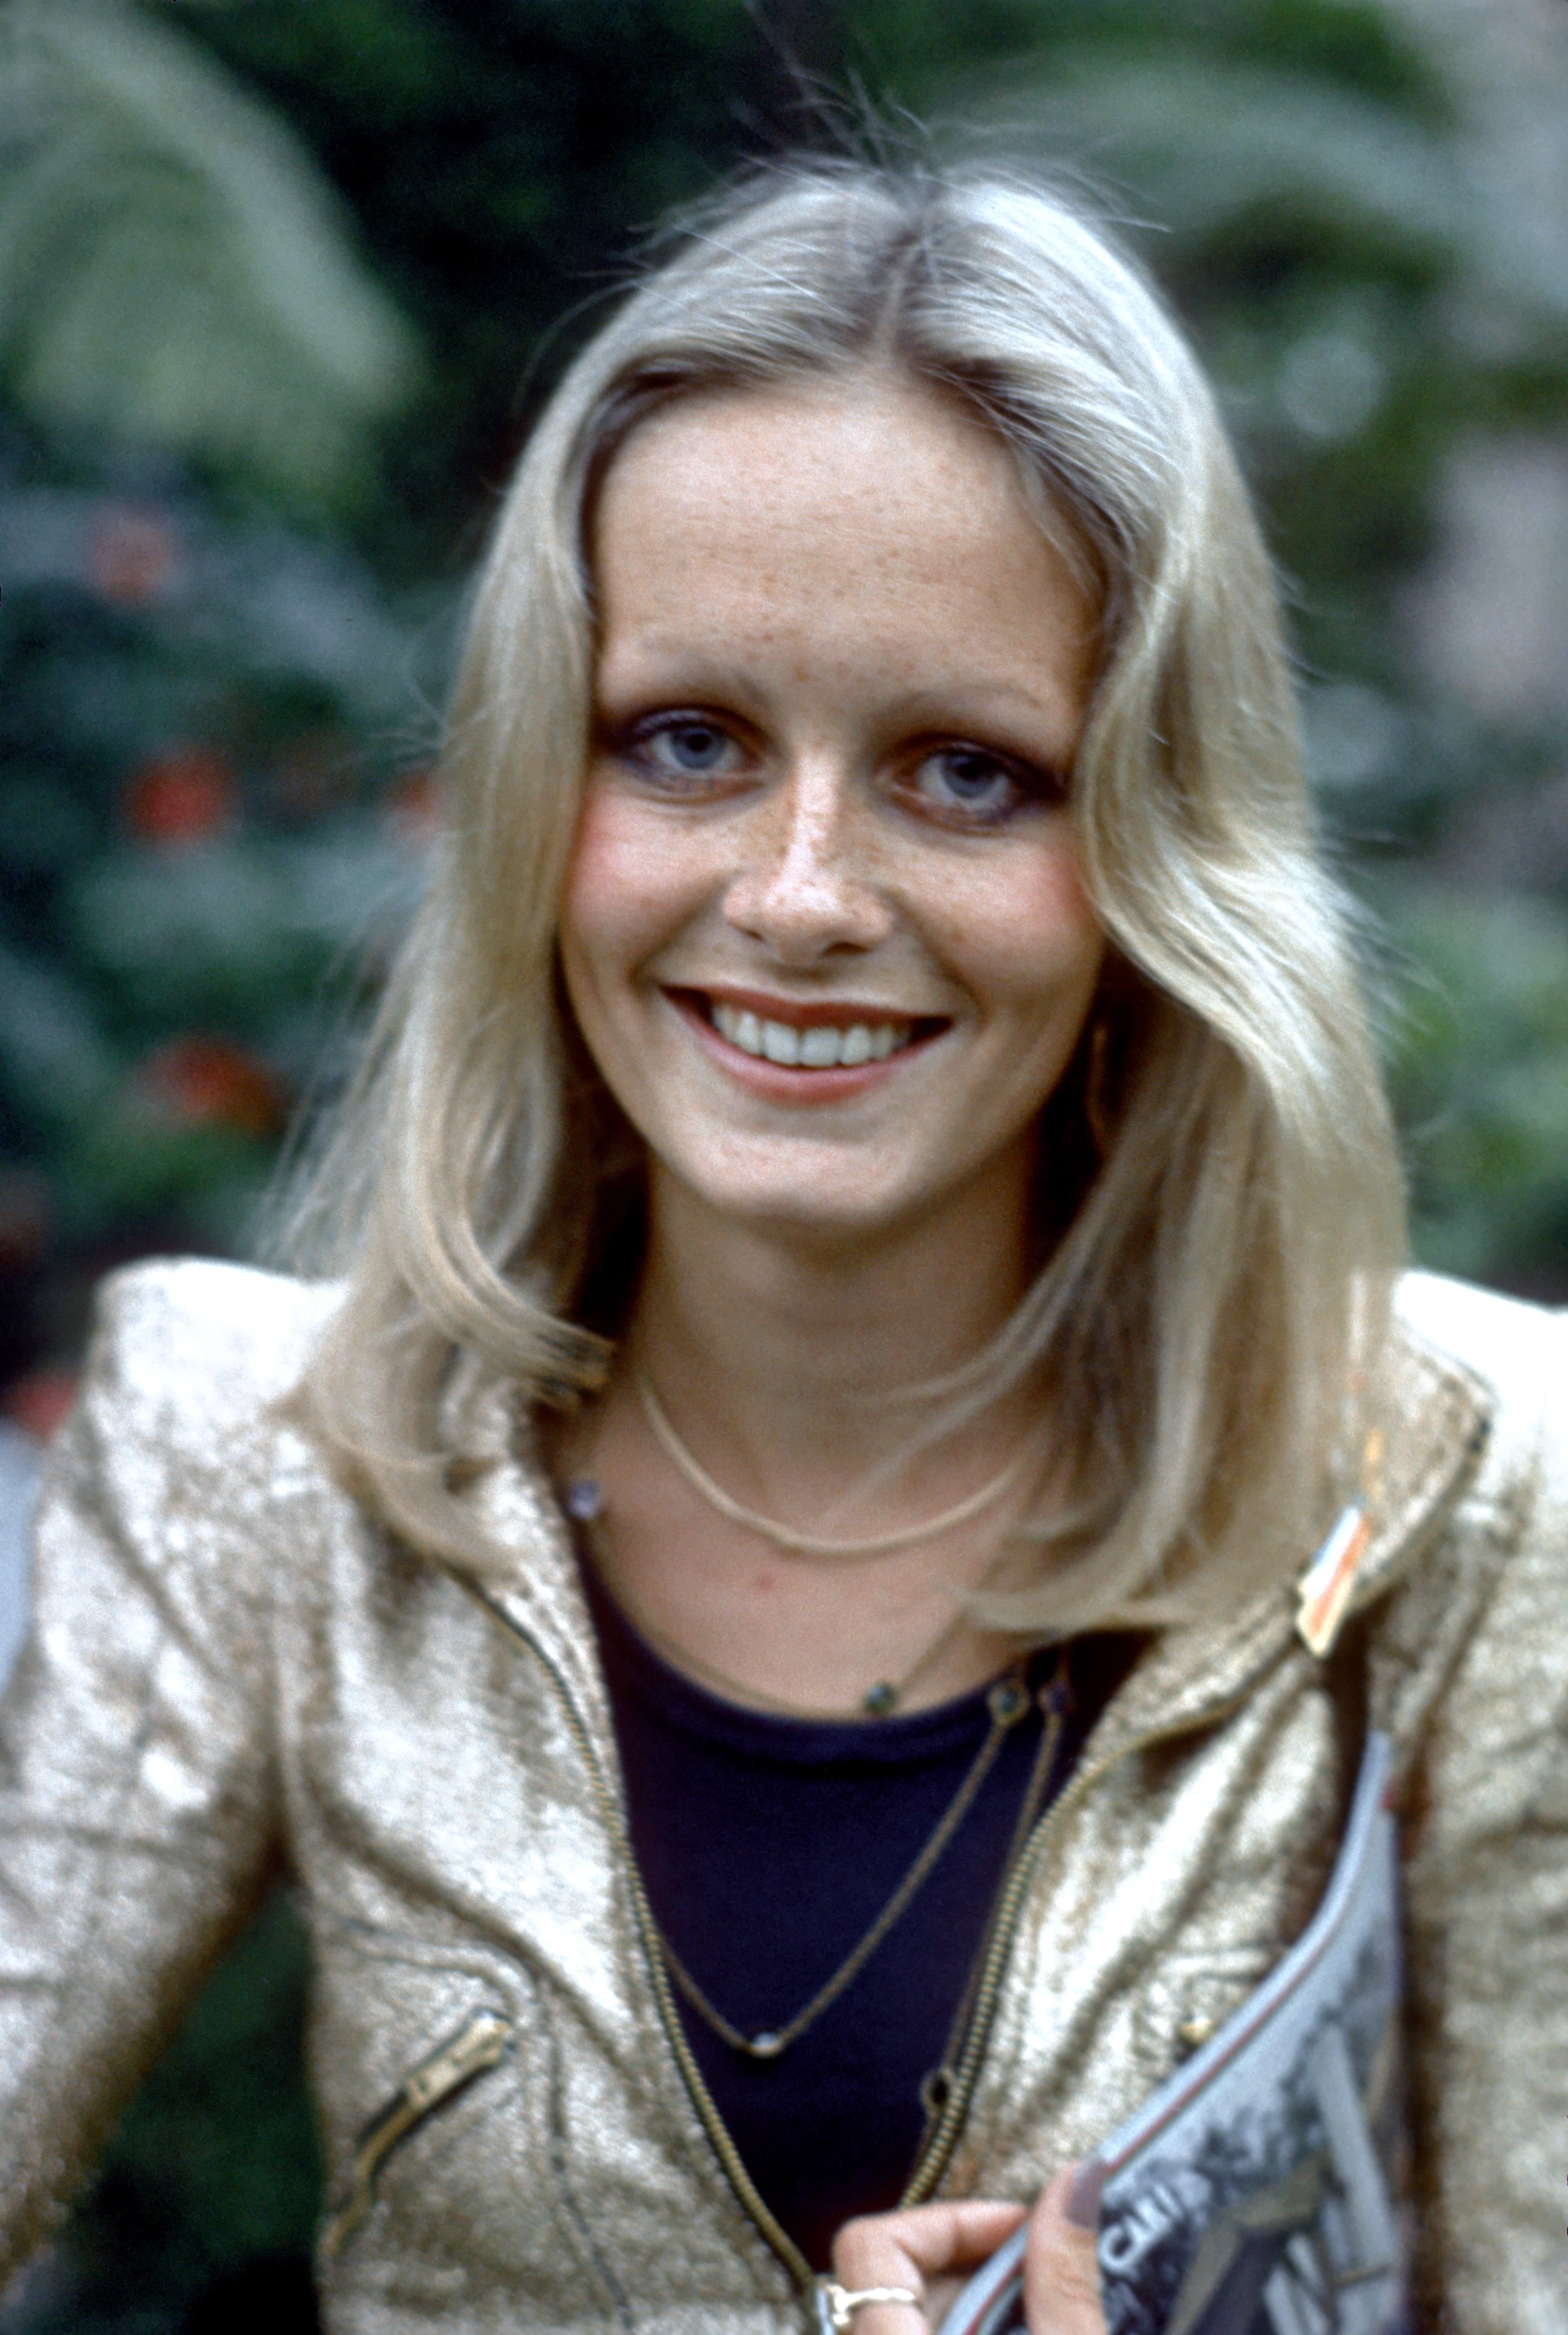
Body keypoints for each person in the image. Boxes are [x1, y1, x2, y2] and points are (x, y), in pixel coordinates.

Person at [1, 158, 1565, 2335]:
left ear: (1150, 844)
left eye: (966, 771)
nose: (805, 890)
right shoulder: (250, 1456)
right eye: (688, 742)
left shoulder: (1472, 1482)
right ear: (544, 786)